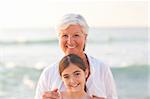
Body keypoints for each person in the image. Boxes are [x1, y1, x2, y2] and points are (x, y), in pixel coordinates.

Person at [35, 13, 118, 99]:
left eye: (76, 35)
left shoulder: (102, 69)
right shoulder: (48, 73)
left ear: (85, 37)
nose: (70, 41)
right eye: (65, 36)